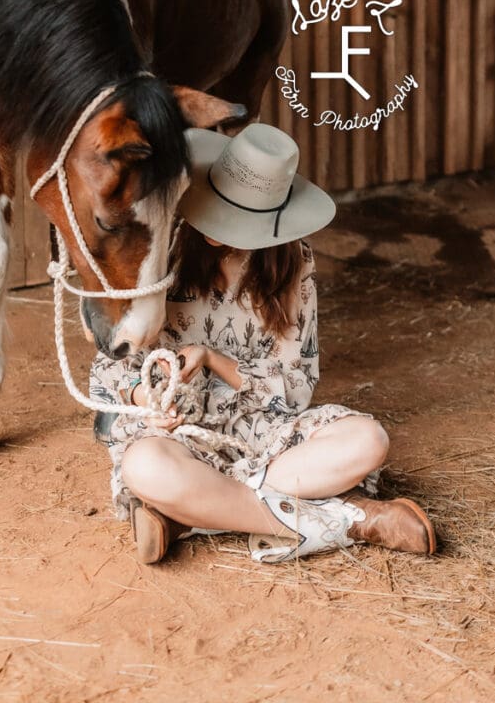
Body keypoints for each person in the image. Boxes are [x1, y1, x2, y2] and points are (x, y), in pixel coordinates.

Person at [90, 124, 436, 564]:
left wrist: (213, 359)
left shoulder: (293, 264)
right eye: (220, 207)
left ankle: (191, 516)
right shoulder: (162, 250)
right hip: (178, 437)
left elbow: (294, 384)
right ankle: (350, 520)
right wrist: (149, 398)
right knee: (145, 466)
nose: (220, 224)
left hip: (266, 434)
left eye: (239, 217)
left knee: (368, 440)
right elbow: (108, 369)